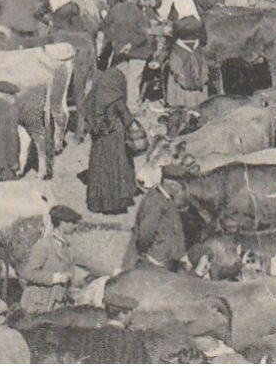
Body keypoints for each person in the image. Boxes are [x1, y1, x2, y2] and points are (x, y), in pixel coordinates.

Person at [84, 69, 138, 214]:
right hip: (115, 137)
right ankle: (115, 203)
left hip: (99, 139)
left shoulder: (94, 95)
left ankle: (97, 203)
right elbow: (126, 117)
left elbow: (87, 114)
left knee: (100, 169)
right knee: (117, 167)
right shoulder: (115, 97)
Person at [19, 205, 80, 314]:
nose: (76, 226)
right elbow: (28, 273)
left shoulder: (66, 246)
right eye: (73, 222)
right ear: (62, 223)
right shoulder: (43, 245)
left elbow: (84, 262)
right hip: (38, 306)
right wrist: (55, 277)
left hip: (57, 304)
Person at [133, 164, 191, 269]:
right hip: (156, 262)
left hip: (166, 260)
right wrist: (150, 255)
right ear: (172, 185)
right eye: (180, 185)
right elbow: (146, 232)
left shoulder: (164, 198)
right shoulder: (156, 201)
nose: (180, 190)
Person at [164, 17, 209, 108]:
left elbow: (172, 37)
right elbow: (203, 39)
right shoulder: (198, 21)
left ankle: (179, 105)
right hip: (196, 52)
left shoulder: (177, 23)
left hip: (180, 53)